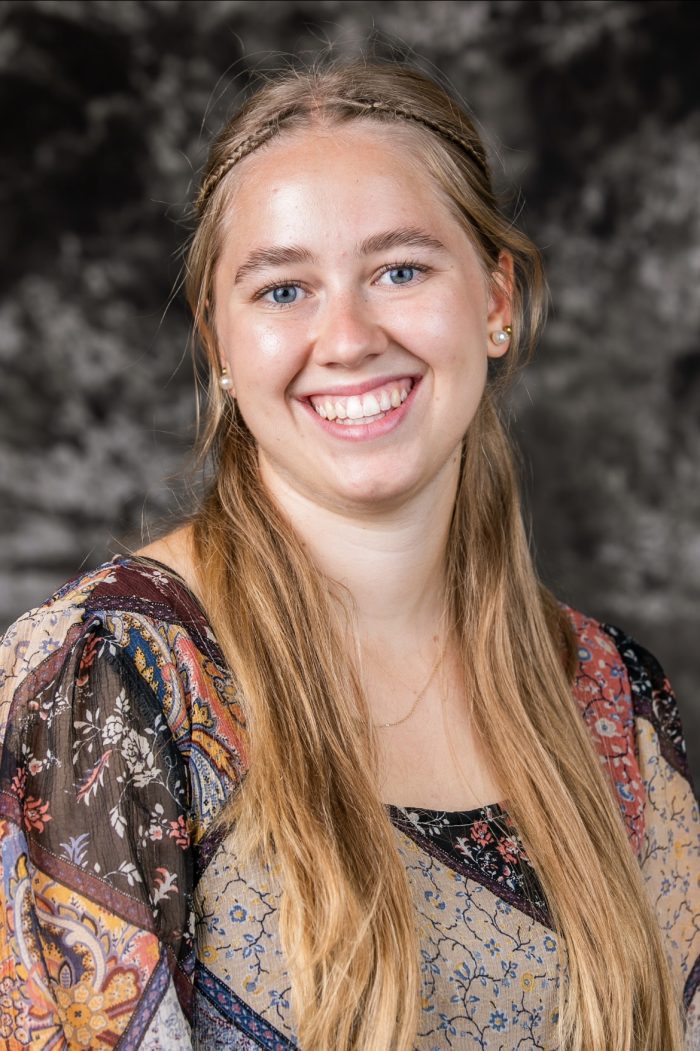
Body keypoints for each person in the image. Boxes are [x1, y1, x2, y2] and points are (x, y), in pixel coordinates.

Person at [0, 58, 697, 1051]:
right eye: (283, 289)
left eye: (400, 270)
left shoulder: (613, 701)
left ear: (495, 300)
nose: (347, 337)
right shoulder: (111, 682)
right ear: (220, 345)